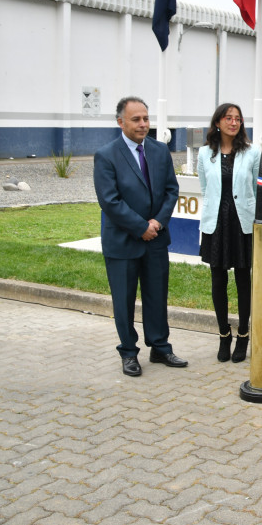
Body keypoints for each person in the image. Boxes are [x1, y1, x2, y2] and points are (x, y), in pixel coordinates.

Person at [93, 96, 185, 377]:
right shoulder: (106, 155)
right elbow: (110, 201)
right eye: (136, 119)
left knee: (157, 296)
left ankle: (160, 347)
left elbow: (171, 190)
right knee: (124, 300)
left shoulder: (159, 150)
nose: (143, 124)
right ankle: (129, 353)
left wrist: (156, 222)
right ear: (120, 122)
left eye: (146, 118)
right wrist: (140, 227)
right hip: (122, 241)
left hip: (156, 239)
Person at [197, 103, 260, 363]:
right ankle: (224, 334)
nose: (234, 123)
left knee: (244, 280)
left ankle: (244, 335)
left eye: (238, 119)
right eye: (228, 118)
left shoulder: (252, 152)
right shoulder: (204, 153)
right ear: (218, 123)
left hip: (242, 222)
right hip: (216, 224)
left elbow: (256, 187)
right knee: (217, 281)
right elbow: (204, 187)